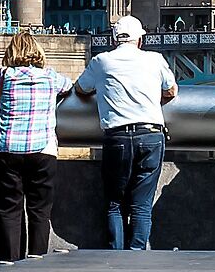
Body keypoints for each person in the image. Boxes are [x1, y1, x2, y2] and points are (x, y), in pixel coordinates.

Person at [74, 16, 177, 251]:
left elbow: (80, 89)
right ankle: (137, 253)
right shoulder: (155, 59)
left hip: (117, 137)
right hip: (151, 135)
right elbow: (171, 91)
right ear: (140, 39)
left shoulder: (102, 61)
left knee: (115, 203)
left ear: (113, 40)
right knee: (142, 205)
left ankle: (116, 254)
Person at [0, 30, 72, 262]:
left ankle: (10, 261)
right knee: (40, 210)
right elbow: (69, 86)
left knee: (10, 209)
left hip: (7, 149)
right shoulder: (50, 76)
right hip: (42, 151)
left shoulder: (4, 75)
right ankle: (37, 261)